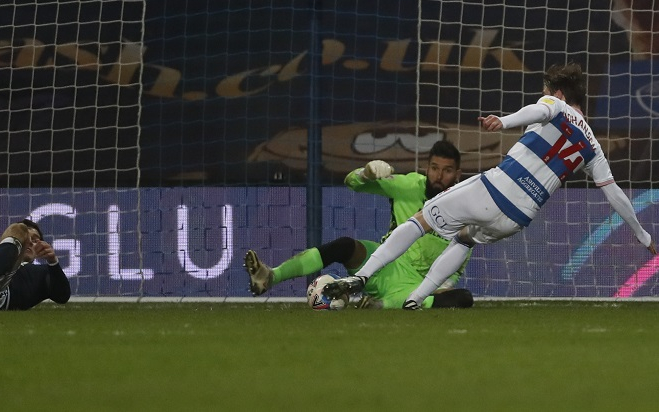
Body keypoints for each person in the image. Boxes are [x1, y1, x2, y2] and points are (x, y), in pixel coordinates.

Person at [324, 62, 656, 308]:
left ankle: (360, 277)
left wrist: (504, 121)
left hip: (494, 190)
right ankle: (416, 299)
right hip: (518, 217)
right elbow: (614, 194)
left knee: (421, 220)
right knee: (465, 238)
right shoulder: (594, 147)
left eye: (546, 92)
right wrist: (644, 235)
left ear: (558, 93)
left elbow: (537, 111)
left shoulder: (556, 105)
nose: (544, 97)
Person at [245, 140, 474, 309]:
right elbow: (352, 183)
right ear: (427, 168)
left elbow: (458, 262)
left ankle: (382, 304)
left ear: (458, 174)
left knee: (463, 298)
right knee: (346, 246)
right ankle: (271, 276)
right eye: (434, 168)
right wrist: (365, 174)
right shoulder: (409, 186)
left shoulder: (466, 210)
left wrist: (445, 286)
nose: (439, 176)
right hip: (383, 265)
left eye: (447, 170)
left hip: (416, 284)